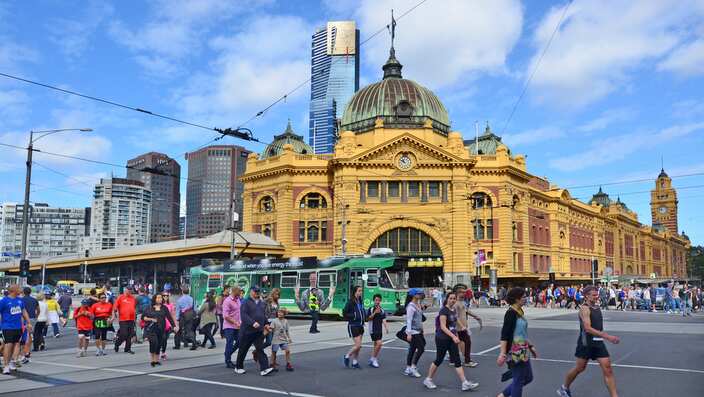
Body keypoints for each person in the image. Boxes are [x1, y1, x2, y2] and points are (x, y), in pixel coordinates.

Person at [557, 285, 620, 397]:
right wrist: (607, 336)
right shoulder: (584, 309)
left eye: (597, 294)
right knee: (580, 368)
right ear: (586, 296)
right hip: (586, 343)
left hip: (598, 342)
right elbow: (587, 328)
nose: (597, 297)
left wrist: (602, 336)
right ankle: (564, 387)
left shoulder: (596, 307)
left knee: (608, 369)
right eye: (594, 295)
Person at [422, 292, 479, 391]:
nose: (453, 300)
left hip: (452, 338)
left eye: (454, 298)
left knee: (457, 360)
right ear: (447, 299)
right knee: (439, 359)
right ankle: (428, 379)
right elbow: (443, 327)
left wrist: (463, 327)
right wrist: (453, 336)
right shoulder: (443, 311)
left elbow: (456, 320)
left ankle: (464, 383)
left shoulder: (453, 310)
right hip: (442, 339)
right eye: (451, 298)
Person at [497, 287, 536, 397]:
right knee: (519, 380)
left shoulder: (519, 311)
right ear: (516, 299)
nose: (526, 298)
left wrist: (531, 346)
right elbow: (504, 334)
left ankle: (502, 395)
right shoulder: (511, 313)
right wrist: (502, 353)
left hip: (523, 350)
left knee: (528, 377)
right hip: (514, 352)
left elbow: (521, 333)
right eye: (523, 297)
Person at [234, 286, 273, 376]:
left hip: (258, 331)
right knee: (243, 349)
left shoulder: (262, 303)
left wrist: (266, 324)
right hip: (247, 331)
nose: (257, 293)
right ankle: (238, 367)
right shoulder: (245, 302)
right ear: (251, 292)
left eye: (258, 291)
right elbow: (243, 315)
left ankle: (264, 368)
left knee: (260, 349)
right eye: (255, 291)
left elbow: (263, 315)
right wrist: (252, 323)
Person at [1, 285, 32, 374]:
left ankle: (11, 363)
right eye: (19, 288)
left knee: (15, 345)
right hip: (7, 327)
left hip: (18, 327)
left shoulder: (20, 300)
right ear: (13, 290)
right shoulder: (4, 301)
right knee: (8, 345)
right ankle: (6, 366)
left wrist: (28, 322)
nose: (20, 289)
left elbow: (23, 311)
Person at [142, 293, 177, 367]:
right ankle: (152, 360)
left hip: (161, 329)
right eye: (158, 298)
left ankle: (156, 360)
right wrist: (151, 319)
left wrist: (174, 326)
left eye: (161, 298)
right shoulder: (149, 308)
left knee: (159, 344)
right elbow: (143, 317)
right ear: (154, 299)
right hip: (151, 329)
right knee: (154, 342)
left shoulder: (164, 308)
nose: (160, 299)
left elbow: (169, 317)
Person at [454, 286, 482, 367]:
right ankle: (467, 361)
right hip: (458, 328)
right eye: (462, 292)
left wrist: (476, 316)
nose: (464, 293)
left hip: (463, 328)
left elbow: (467, 311)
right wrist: (462, 326)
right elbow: (456, 317)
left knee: (465, 343)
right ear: (458, 293)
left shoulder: (463, 302)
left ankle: (464, 360)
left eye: (464, 292)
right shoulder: (456, 303)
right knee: (466, 342)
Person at [404, 288, 426, 378]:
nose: (421, 295)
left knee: (413, 349)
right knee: (421, 348)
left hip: (418, 330)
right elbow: (408, 320)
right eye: (419, 293)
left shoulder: (418, 304)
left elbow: (419, 318)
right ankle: (413, 367)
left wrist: (422, 329)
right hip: (413, 331)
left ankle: (408, 368)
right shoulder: (410, 306)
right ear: (414, 295)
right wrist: (409, 333)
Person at [342, 286, 365, 369]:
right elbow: (344, 313)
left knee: (358, 346)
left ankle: (355, 362)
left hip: (360, 325)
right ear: (355, 292)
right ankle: (347, 356)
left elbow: (361, 311)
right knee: (358, 345)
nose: (360, 292)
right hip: (353, 325)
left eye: (361, 291)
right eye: (359, 291)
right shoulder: (350, 302)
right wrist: (354, 316)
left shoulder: (360, 300)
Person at [366, 293, 388, 368]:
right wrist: (375, 313)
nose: (377, 301)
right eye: (376, 300)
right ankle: (373, 358)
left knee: (376, 344)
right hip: (373, 329)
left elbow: (384, 319)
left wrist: (386, 327)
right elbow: (368, 319)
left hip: (379, 329)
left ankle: (372, 359)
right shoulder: (371, 309)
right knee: (379, 343)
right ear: (373, 301)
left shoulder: (382, 310)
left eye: (379, 300)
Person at [222, 286, 242, 369]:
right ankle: (228, 361)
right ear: (235, 291)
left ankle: (228, 353)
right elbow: (225, 316)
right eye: (239, 291)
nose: (241, 292)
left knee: (239, 342)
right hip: (229, 326)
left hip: (237, 326)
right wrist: (235, 322)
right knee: (229, 343)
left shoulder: (238, 300)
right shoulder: (227, 301)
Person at [113, 287, 137, 354]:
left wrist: (135, 317)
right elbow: (115, 306)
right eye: (128, 290)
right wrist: (115, 311)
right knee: (124, 334)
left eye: (130, 290)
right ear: (125, 290)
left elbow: (134, 307)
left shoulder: (133, 298)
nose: (129, 291)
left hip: (131, 319)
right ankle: (117, 344)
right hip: (123, 319)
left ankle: (127, 348)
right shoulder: (120, 297)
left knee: (130, 335)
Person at [174, 286, 197, 350]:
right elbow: (195, 309)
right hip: (190, 316)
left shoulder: (179, 300)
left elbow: (178, 311)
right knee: (189, 330)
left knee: (179, 331)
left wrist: (177, 319)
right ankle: (194, 342)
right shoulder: (192, 299)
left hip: (183, 316)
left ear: (182, 292)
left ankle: (177, 345)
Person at [21, 287, 38, 362]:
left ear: (23, 292)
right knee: (30, 335)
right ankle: (28, 351)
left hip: (23, 319)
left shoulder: (21, 300)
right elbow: (38, 309)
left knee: (24, 336)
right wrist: (36, 316)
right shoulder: (34, 300)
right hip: (32, 318)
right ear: (30, 292)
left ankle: (25, 352)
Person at [161, 293, 176, 360]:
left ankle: (163, 353)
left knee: (165, 339)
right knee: (161, 338)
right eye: (164, 296)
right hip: (160, 324)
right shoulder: (160, 305)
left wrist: (175, 325)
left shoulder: (170, 304)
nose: (165, 297)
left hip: (168, 324)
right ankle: (160, 351)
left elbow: (172, 315)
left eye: (167, 296)